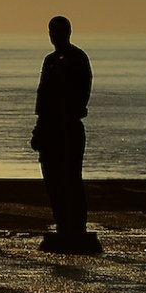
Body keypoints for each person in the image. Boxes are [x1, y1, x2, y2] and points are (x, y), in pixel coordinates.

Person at [33, 15, 94, 252]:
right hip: (50, 126)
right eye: (51, 31)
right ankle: (62, 223)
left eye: (57, 31)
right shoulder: (50, 60)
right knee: (53, 179)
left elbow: (82, 91)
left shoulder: (77, 58)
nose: (54, 36)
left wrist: (68, 112)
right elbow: (43, 95)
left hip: (68, 125)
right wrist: (39, 128)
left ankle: (76, 226)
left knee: (70, 177)